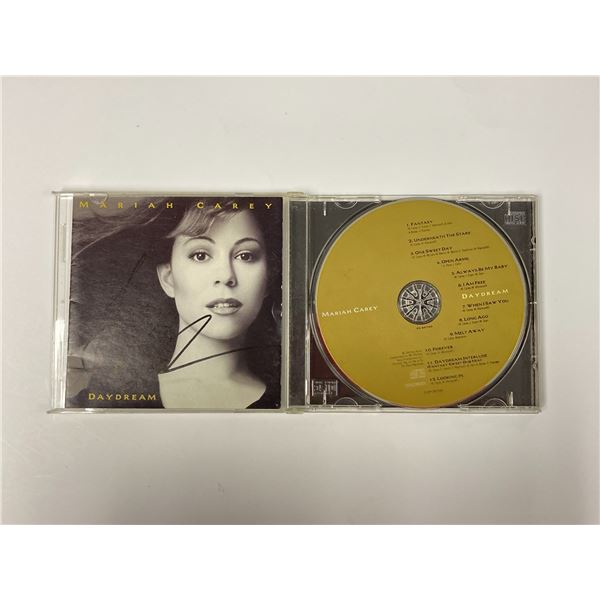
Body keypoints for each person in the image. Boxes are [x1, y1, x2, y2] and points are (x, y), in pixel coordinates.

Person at [67, 197, 282, 410]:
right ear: (168, 278)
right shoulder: (105, 400)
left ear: (268, 278)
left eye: (245, 256)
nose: (226, 276)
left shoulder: (285, 400)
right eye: (200, 255)